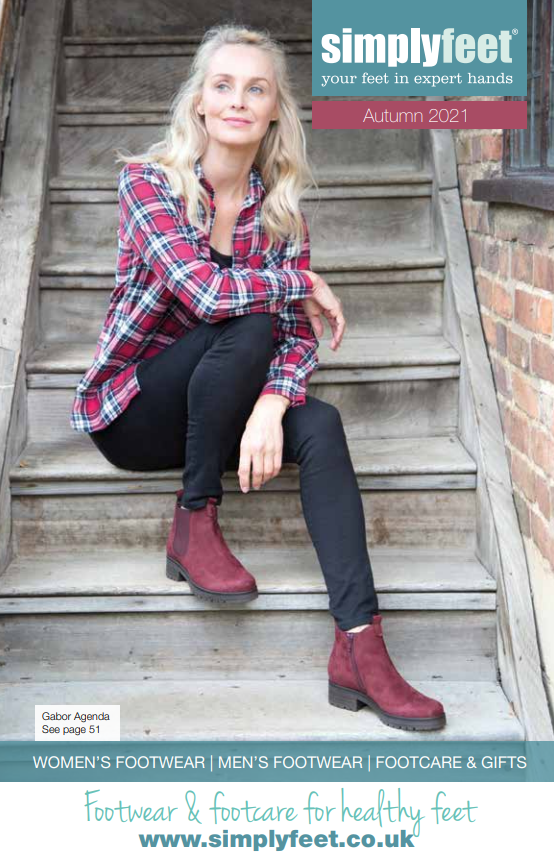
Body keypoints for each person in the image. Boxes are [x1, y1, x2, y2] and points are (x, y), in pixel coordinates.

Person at [69, 24, 446, 732]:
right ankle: (194, 519)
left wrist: (274, 402)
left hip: (225, 406)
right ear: (200, 102)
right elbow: (206, 294)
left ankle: (360, 647)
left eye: (256, 88)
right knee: (244, 317)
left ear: (274, 110)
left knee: (320, 422)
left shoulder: (281, 214)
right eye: (223, 85)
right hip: (136, 410)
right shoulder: (149, 183)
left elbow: (296, 336)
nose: (238, 100)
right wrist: (300, 281)